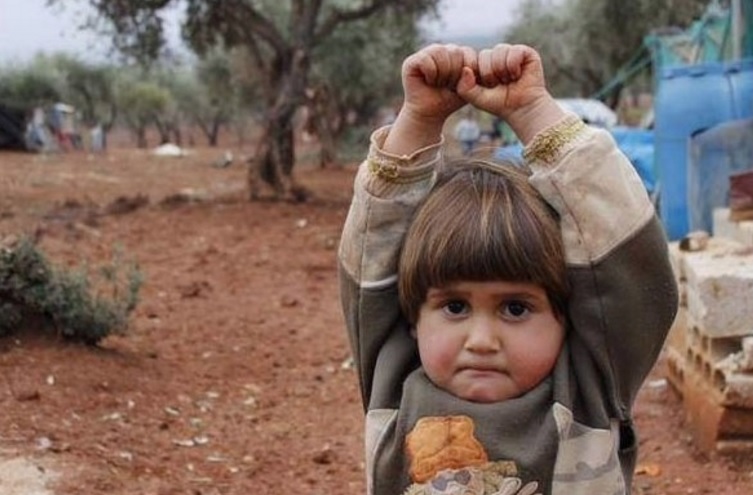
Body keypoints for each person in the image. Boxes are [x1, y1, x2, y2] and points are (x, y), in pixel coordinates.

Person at [338, 43, 678, 495]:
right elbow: (372, 255)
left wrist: (533, 112)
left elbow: (628, 258)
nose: (481, 342)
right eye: (455, 306)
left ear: (567, 316)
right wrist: (418, 122)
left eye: (516, 309)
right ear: (413, 318)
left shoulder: (588, 387)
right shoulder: (394, 381)